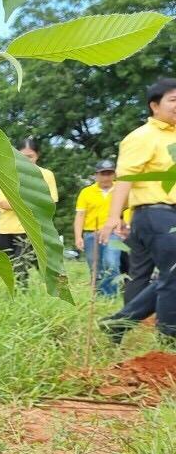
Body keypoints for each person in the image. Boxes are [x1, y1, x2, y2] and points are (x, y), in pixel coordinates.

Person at [99, 77, 176, 341]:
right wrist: (113, 217)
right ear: (154, 105)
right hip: (155, 213)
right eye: (173, 100)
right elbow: (125, 177)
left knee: (169, 275)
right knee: (173, 273)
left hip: (167, 216)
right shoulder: (142, 137)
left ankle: (117, 324)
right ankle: (169, 341)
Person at [0, 137, 58, 284]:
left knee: (20, 267)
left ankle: (54, 289)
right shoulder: (6, 173)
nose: (27, 160)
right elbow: (2, 202)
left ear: (37, 155)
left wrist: (16, 202)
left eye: (30, 156)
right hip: (5, 228)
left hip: (31, 228)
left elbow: (50, 203)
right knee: (5, 268)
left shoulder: (46, 175)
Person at [74, 159, 121, 296]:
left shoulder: (120, 189)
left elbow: (128, 210)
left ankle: (111, 295)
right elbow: (80, 216)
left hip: (113, 233)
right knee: (95, 266)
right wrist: (78, 236)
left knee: (111, 263)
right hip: (91, 234)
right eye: (103, 173)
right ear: (96, 175)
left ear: (114, 174)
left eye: (109, 173)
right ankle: (99, 295)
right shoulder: (86, 192)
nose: (106, 177)